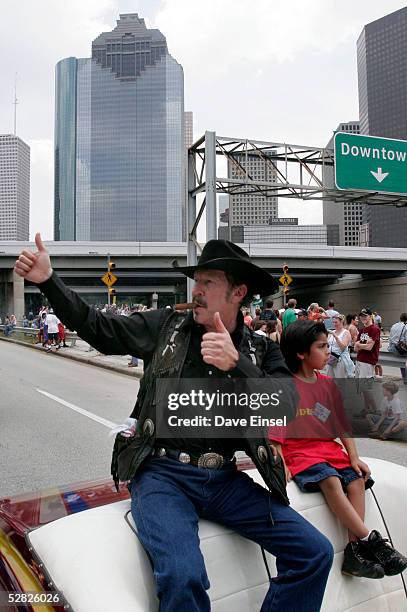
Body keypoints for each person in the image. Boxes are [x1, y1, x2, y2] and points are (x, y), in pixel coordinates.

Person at [15, 235, 334, 612]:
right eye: (196, 281)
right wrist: (49, 280)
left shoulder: (259, 349)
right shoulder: (167, 327)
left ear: (238, 292)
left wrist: (238, 365)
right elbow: (100, 328)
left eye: (208, 283)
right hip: (163, 475)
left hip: (225, 482)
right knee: (184, 576)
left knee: (315, 553)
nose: (196, 291)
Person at [271, 320, 407, 579]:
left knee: (356, 479)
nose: (328, 353)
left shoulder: (327, 384)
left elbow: (341, 425)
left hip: (327, 449)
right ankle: (371, 540)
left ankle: (354, 551)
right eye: (321, 347)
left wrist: (354, 457)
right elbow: (275, 433)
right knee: (331, 480)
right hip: (300, 453)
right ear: (301, 353)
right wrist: (281, 463)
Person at [354, 308, 381, 415]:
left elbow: (370, 348)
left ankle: (375, 410)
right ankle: (367, 409)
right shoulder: (362, 330)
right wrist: (361, 345)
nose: (363, 318)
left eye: (365, 315)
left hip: (368, 361)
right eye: (361, 316)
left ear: (370, 316)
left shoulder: (374, 329)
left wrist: (359, 344)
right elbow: (355, 348)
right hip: (360, 360)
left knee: (366, 387)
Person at [326, 314, 355, 378]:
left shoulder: (346, 332)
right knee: (329, 378)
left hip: (340, 359)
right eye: (333, 322)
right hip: (331, 358)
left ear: (341, 322)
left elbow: (343, 347)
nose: (334, 324)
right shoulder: (333, 331)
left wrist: (335, 336)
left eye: (336, 322)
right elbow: (328, 344)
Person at [388, 313, 407, 384]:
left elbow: (390, 338)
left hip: (393, 348)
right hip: (401, 349)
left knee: (402, 361)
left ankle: (404, 378)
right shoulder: (406, 327)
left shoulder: (394, 325)